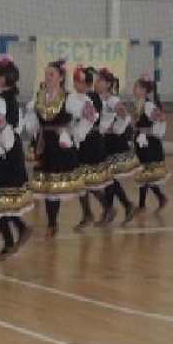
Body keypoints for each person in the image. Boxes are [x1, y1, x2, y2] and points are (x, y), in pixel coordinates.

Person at [24, 60, 86, 238]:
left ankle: (52, 222)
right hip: (43, 143)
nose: (48, 77)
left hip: (60, 144)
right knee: (46, 185)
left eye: (51, 74)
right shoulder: (39, 95)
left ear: (61, 77)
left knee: (54, 185)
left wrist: (73, 132)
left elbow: (89, 115)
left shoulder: (69, 97)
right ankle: (52, 222)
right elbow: (30, 114)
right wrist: (33, 127)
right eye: (46, 74)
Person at [0, 56, 34, 260]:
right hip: (13, 149)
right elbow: (18, 126)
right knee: (4, 197)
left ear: (3, 78)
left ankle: (9, 241)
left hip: (3, 150)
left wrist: (2, 145)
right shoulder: (12, 100)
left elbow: (1, 125)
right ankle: (19, 230)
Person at [70, 65, 111, 230]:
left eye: (76, 82)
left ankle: (107, 208)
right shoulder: (89, 97)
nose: (74, 85)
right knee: (82, 181)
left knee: (88, 182)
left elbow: (90, 119)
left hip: (90, 142)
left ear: (82, 83)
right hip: (87, 141)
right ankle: (88, 213)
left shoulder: (89, 98)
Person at [95, 69, 137, 225]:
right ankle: (116, 208)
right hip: (103, 140)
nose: (96, 83)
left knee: (109, 177)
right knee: (108, 177)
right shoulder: (97, 99)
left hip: (113, 141)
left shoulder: (112, 100)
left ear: (108, 84)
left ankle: (118, 207)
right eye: (96, 80)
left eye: (100, 80)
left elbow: (125, 116)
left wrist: (115, 129)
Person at [133, 75, 169, 213]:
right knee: (144, 173)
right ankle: (158, 198)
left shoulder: (148, 106)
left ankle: (143, 204)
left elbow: (161, 120)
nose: (134, 89)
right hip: (142, 142)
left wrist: (149, 132)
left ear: (144, 90)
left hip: (150, 144)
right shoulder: (139, 104)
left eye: (137, 87)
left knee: (147, 173)